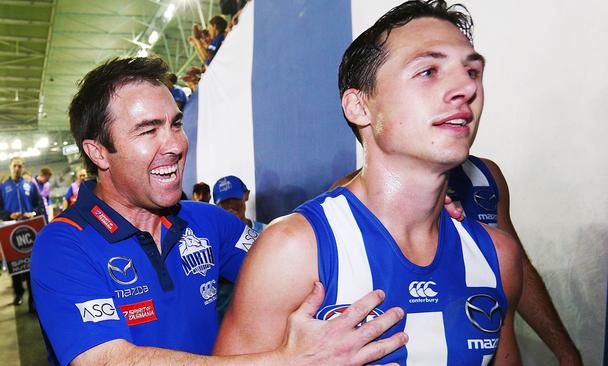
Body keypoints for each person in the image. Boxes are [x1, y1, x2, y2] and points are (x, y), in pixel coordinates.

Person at [30, 56, 407, 366]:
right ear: (98, 152)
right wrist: (287, 361)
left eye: (175, 124)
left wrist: (395, 200)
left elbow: (310, 263)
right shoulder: (62, 245)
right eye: (148, 130)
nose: (175, 144)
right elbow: (108, 360)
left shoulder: (206, 221)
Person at [215, 1, 522, 364]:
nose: (465, 88)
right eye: (428, 71)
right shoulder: (294, 252)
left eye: (471, 72)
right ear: (360, 107)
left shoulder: (497, 256)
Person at [448, 155, 583, 365]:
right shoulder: (385, 177)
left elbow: (517, 266)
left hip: (489, 339)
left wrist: (566, 353)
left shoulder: (485, 174)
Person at [0, 157, 45, 311]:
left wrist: (32, 213)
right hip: (10, 231)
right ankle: (18, 293)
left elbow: (39, 205)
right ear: (10, 167)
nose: (17, 168)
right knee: (15, 267)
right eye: (14, 166)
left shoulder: (30, 185)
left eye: (20, 166)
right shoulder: (3, 187)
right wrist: (8, 215)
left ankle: (33, 300)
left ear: (23, 167)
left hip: (29, 230)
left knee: (31, 266)